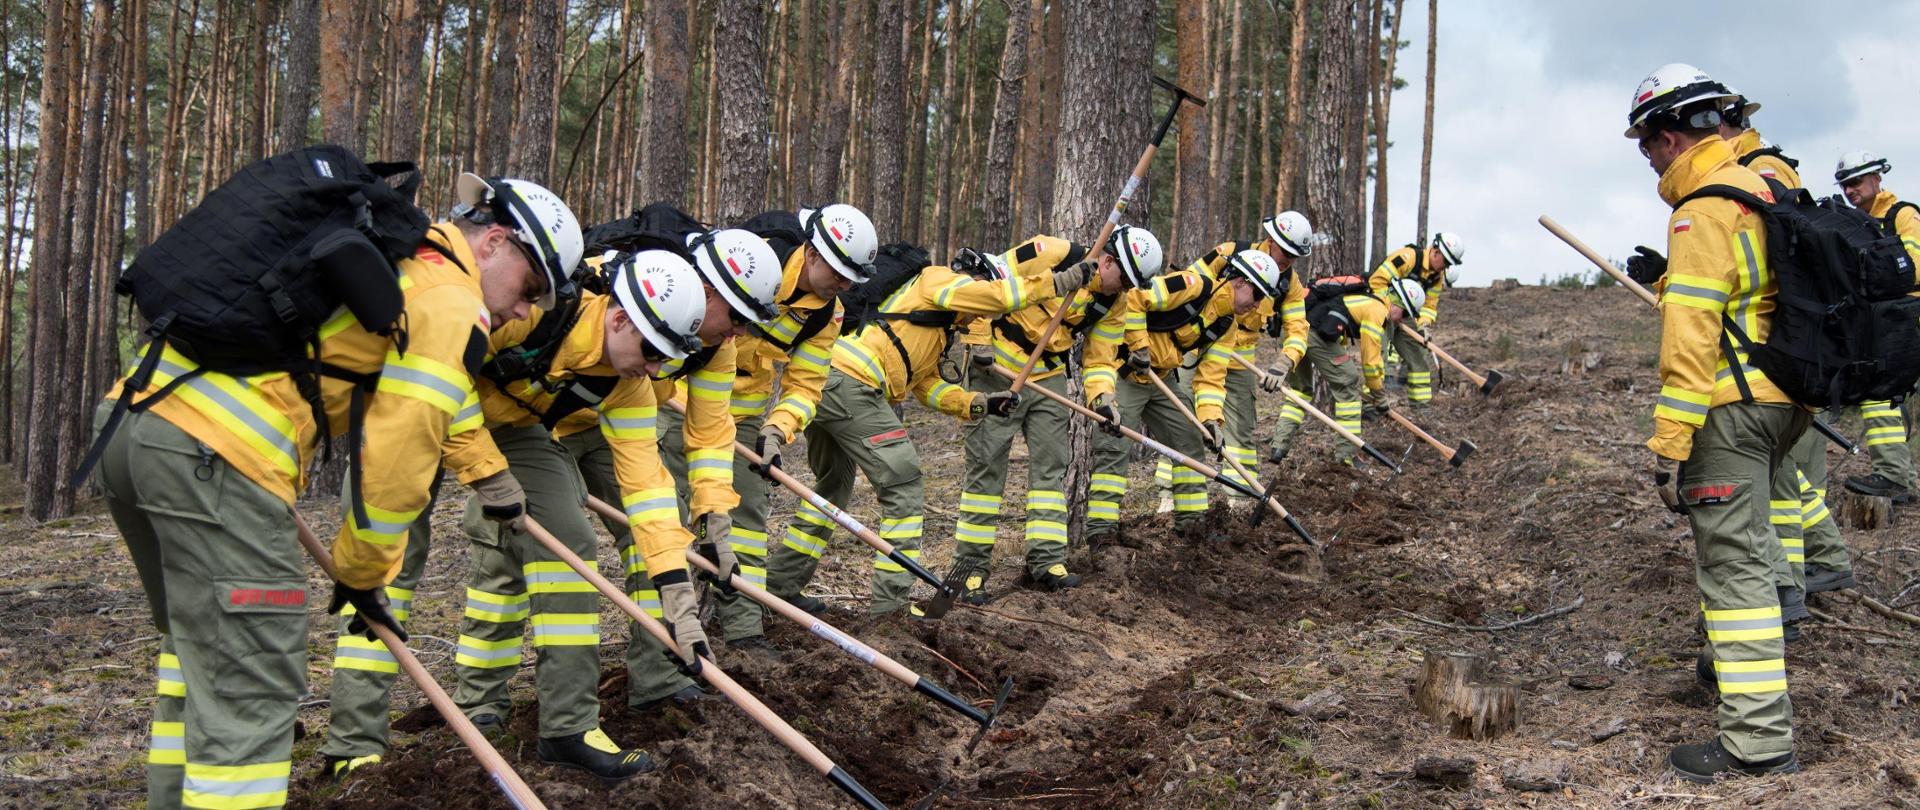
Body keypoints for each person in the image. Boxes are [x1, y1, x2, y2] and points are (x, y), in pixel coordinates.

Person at [97, 170, 578, 807]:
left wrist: (484, 476)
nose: (525, 311)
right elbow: (402, 451)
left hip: (131, 427)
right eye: (530, 288)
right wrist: (364, 573)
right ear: (493, 242)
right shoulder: (450, 299)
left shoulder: (401, 256)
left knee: (197, 647)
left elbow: (431, 411)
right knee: (253, 679)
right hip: (217, 457)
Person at [446, 249, 721, 781]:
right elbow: (442, 368)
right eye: (653, 350)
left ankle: (568, 728)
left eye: (667, 357)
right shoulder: (529, 312)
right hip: (423, 403)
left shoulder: (629, 386)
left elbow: (648, 491)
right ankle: (355, 745)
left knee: (571, 541)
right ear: (619, 319)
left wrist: (677, 597)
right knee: (392, 559)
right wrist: (482, 467)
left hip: (511, 427)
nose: (657, 370)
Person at [1626, 63, 1801, 781]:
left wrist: (1670, 444)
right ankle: (1749, 705)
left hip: (1730, 410)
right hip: (1784, 402)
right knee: (1753, 557)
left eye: (1646, 144)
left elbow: (1693, 335)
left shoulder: (1701, 208)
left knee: (1734, 578)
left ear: (1670, 137)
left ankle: (1758, 743)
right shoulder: (1765, 187)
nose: (1646, 159)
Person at [763, 240, 1079, 615]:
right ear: (977, 280)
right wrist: (1057, 284)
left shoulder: (937, 330)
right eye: (979, 312)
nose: (977, 320)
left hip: (830, 387)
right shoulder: (938, 280)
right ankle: (891, 608)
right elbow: (994, 297)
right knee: (905, 483)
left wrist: (978, 403)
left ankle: (780, 585)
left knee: (832, 488)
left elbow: (927, 387)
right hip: (851, 385)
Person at [953, 227, 1163, 602]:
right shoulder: (1050, 252)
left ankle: (1047, 561)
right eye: (1124, 279)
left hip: (1048, 378)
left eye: (1133, 285)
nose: (1125, 289)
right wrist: (979, 340)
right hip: (998, 369)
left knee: (1051, 468)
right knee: (986, 469)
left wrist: (1103, 399)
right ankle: (970, 570)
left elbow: (1100, 359)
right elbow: (987, 282)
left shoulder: (1116, 302)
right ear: (1108, 261)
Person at [1083, 244, 1284, 543]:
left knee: (1189, 442)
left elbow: (1211, 379)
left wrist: (1211, 421)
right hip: (1124, 372)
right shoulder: (1192, 285)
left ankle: (1192, 526)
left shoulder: (1227, 326)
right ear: (1240, 281)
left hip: (1162, 379)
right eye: (1257, 295)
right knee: (1114, 445)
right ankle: (1102, 534)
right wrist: (1139, 347)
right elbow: (1135, 298)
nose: (1257, 305)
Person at [1192, 213, 1314, 490]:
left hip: (1240, 360)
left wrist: (1285, 362)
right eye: (1286, 253)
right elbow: (1192, 282)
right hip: (1200, 348)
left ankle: (1240, 497)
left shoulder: (1289, 284)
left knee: (1242, 432)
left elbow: (1298, 327)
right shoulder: (1229, 253)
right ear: (1271, 240)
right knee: (1187, 423)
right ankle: (1173, 495)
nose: (1289, 261)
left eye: (1295, 256)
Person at [1835, 152, 1920, 510]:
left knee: (1880, 391)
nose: (1850, 191)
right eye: (1845, 185)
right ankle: (1902, 477)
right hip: (1882, 320)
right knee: (1883, 393)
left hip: (1907, 315)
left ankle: (1894, 476)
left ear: (1876, 178)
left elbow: (1915, 268)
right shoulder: (1856, 224)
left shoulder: (1902, 215)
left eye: (1856, 182)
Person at [1367, 232, 1465, 409]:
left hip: (1406, 317)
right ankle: (1369, 405)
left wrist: (1424, 325)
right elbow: (1376, 282)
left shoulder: (1437, 277)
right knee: (1377, 358)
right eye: (1446, 262)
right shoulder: (1407, 258)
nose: (1446, 267)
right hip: (1381, 312)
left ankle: (1421, 405)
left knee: (1419, 358)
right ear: (1435, 252)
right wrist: (1390, 307)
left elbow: (1429, 306)